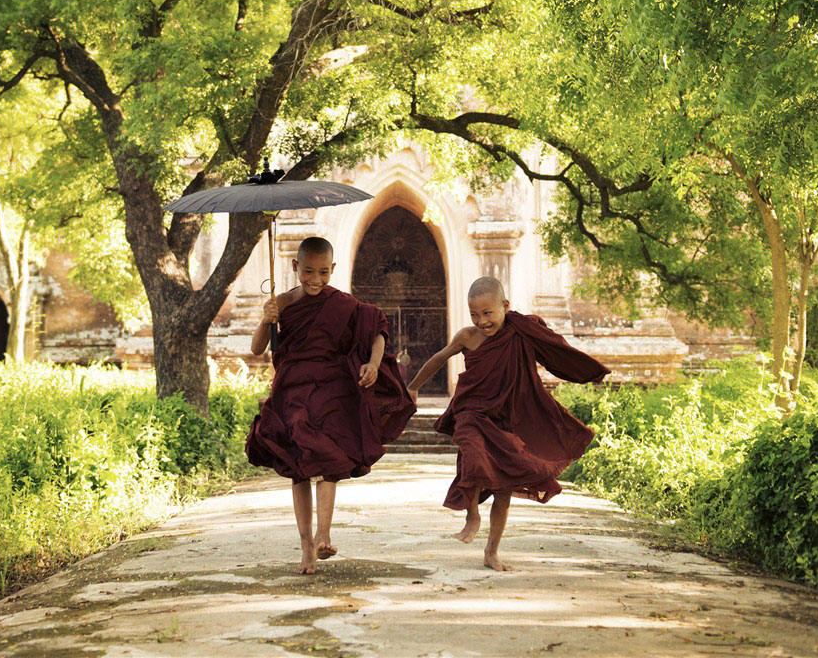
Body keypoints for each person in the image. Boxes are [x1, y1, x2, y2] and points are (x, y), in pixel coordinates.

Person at [406, 276, 609, 571]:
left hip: (506, 418)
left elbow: (557, 350)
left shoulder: (522, 332)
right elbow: (438, 358)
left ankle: (492, 552)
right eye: (474, 314)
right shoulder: (467, 336)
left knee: (503, 490)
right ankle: (471, 515)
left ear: (505, 306)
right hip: (471, 414)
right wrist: (413, 387)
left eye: (488, 313)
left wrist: (588, 371)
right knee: (472, 456)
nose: (482, 321)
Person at [245, 236, 416, 574]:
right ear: (295, 267)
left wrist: (373, 362)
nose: (315, 280)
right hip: (291, 391)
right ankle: (306, 543)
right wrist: (267, 320)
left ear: (333, 269)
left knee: (329, 459)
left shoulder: (343, 303)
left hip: (331, 391)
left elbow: (377, 329)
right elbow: (256, 349)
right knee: (297, 467)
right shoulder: (282, 303)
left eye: (323, 272)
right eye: (308, 271)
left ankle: (324, 533)